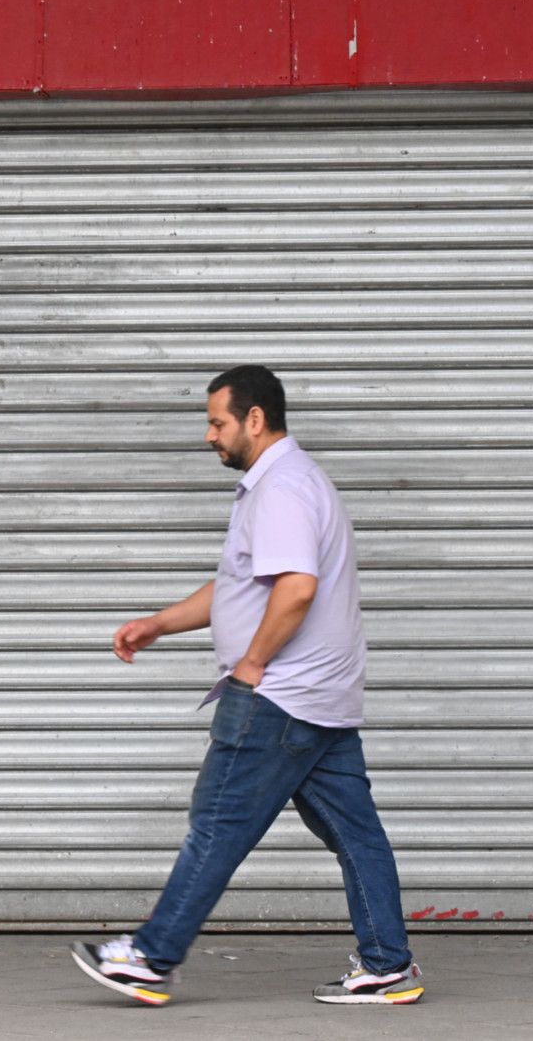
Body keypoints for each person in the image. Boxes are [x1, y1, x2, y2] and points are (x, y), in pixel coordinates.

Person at [70, 364, 424, 1007]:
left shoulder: (281, 488)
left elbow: (295, 589)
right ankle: (388, 964)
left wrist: (253, 665)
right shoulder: (291, 482)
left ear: (253, 419)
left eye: (217, 422)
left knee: (217, 823)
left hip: (280, 697)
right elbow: (243, 586)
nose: (209, 436)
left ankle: (151, 958)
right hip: (318, 698)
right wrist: (160, 624)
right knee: (356, 833)